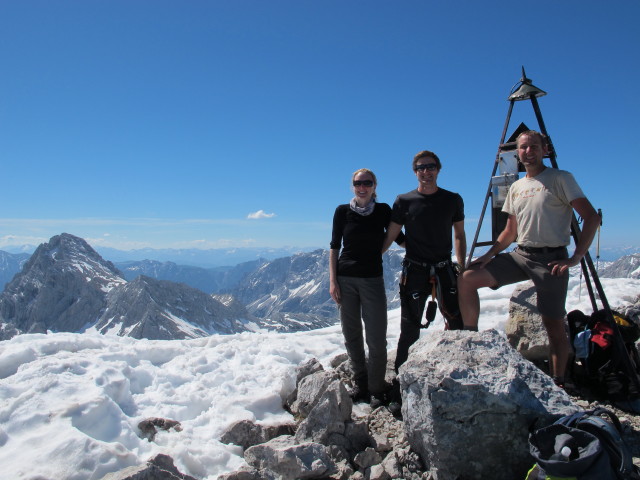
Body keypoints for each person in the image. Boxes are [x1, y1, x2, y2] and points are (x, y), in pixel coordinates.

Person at [457, 130, 601, 386]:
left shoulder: (560, 179)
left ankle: (558, 382)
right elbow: (510, 231)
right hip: (521, 254)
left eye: (534, 146)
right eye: (523, 147)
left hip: (552, 259)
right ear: (518, 152)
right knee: (468, 278)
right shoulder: (517, 186)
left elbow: (591, 217)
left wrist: (576, 257)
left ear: (545, 149)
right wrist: (489, 255)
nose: (528, 151)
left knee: (553, 324)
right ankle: (472, 338)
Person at [382, 150, 466, 373]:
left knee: (456, 321)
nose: (426, 172)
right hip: (415, 270)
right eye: (421, 168)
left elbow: (459, 235)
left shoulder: (452, 200)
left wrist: (463, 265)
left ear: (438, 169)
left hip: (443, 267)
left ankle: (458, 370)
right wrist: (376, 256)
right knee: (409, 328)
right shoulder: (404, 201)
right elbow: (392, 233)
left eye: (430, 167)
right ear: (415, 172)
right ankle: (400, 382)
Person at [329, 168, 404, 404]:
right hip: (345, 279)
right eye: (357, 183)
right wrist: (333, 281)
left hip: (372, 279)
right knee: (351, 334)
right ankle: (360, 384)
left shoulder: (382, 211)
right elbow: (334, 247)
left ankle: (376, 387)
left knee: (376, 336)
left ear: (374, 186)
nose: (362, 187)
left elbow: (399, 238)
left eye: (367, 183)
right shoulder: (342, 212)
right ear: (352, 186)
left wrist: (428, 248)